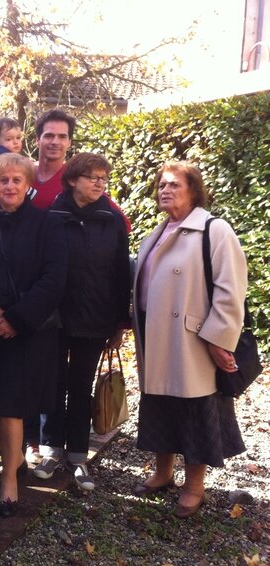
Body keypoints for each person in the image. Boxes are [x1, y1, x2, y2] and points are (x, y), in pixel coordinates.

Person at [132, 161, 247, 518]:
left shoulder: (214, 230)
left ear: (194, 190)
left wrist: (219, 339)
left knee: (197, 411)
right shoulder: (158, 232)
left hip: (193, 341)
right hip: (155, 337)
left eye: (174, 185)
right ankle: (162, 472)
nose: (165, 190)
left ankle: (194, 485)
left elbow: (231, 291)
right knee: (160, 405)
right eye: (162, 185)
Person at [0, 153, 66, 518]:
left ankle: (10, 477)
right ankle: (15, 462)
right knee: (0, 404)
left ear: (28, 185)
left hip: (29, 331)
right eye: (2, 180)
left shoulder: (47, 225)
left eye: (17, 180)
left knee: (11, 404)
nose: (9, 186)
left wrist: (18, 318)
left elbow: (54, 279)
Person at [35, 153, 131, 491]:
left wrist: (121, 322)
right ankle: (49, 450)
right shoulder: (51, 217)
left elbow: (122, 274)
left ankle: (78, 455)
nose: (99, 183)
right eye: (92, 177)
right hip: (55, 319)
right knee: (52, 383)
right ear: (73, 180)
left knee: (81, 386)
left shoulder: (112, 220)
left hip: (95, 317)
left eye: (103, 178)